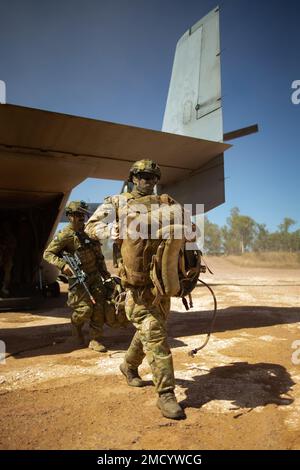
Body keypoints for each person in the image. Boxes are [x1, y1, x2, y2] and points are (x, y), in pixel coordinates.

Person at [85, 160, 188, 419]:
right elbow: (90, 227)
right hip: (137, 286)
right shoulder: (118, 202)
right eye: (142, 176)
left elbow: (184, 230)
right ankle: (166, 394)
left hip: (162, 284)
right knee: (155, 335)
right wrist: (111, 229)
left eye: (152, 176)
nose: (147, 180)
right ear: (133, 177)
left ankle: (128, 366)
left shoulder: (166, 202)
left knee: (151, 331)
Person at [44, 200, 111, 352]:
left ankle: (95, 339)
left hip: (94, 277)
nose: (81, 218)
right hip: (79, 280)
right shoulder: (65, 235)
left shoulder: (88, 233)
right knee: (84, 310)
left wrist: (106, 275)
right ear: (69, 216)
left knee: (99, 308)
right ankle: (76, 328)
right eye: (77, 214)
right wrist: (63, 265)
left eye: (83, 214)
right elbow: (48, 253)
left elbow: (98, 256)